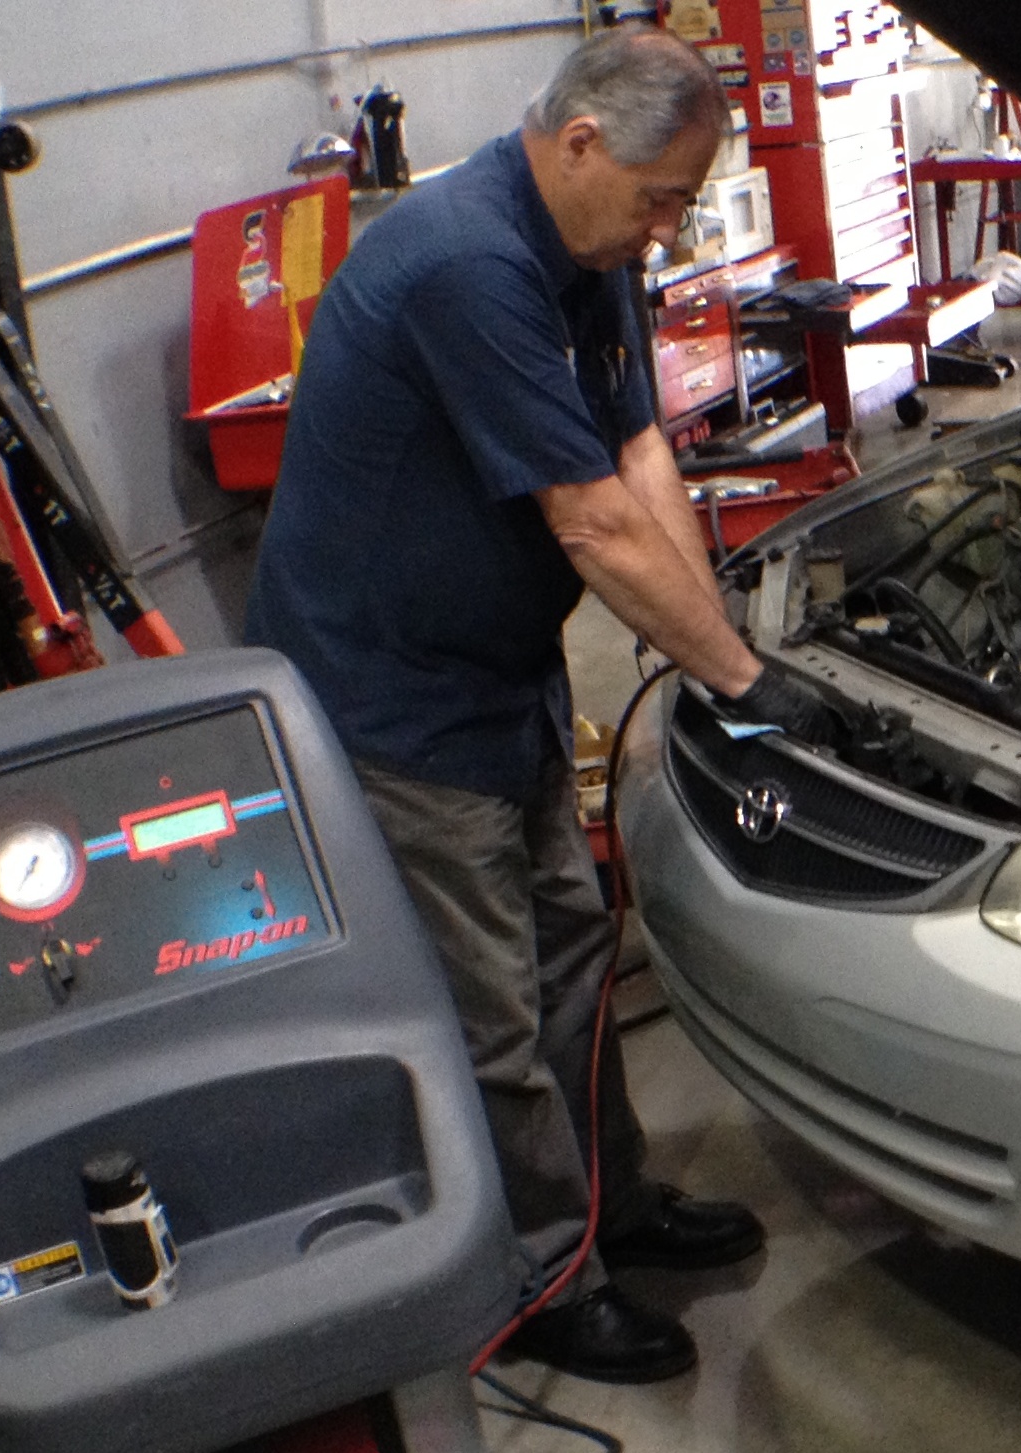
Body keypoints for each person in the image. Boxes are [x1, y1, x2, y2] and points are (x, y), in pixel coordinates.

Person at [244, 27, 833, 1385]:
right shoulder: (470, 264)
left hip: (497, 677)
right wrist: (749, 686)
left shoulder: (592, 253)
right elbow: (592, 528)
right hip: (389, 698)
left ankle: (614, 1205)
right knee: (491, 1006)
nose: (669, 227)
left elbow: (638, 458)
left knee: (573, 949)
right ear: (578, 144)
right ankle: (540, 1278)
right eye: (662, 197)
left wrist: (723, 653)